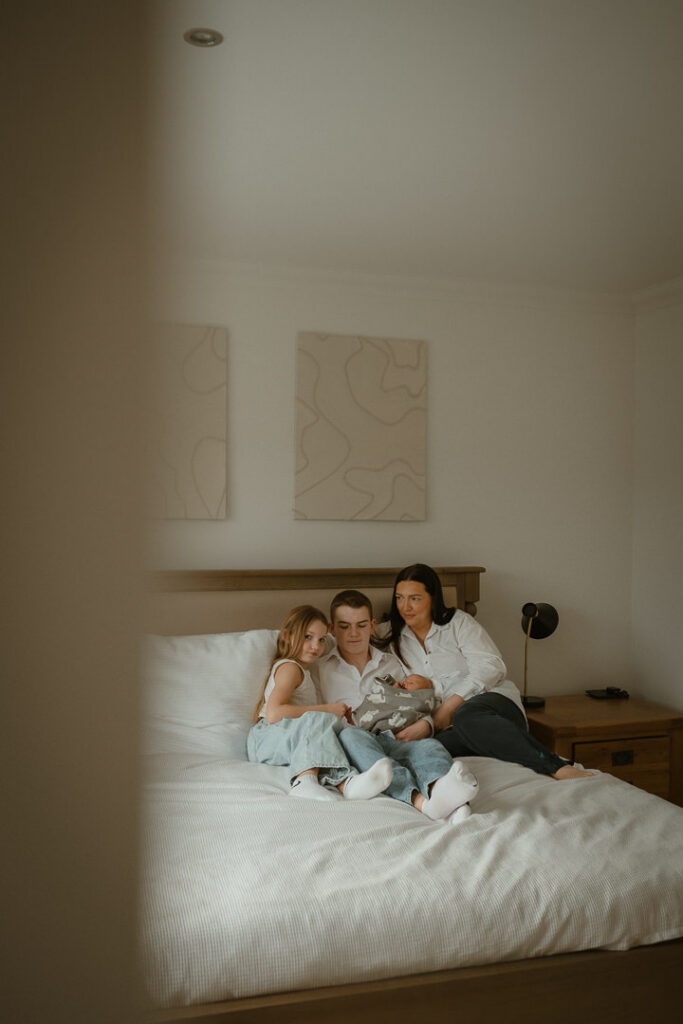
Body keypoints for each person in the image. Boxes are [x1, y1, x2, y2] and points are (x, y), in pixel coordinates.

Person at [379, 564, 593, 780]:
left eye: (414, 598)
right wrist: (431, 723)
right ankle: (496, 754)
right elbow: (353, 639)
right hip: (451, 728)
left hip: (493, 706)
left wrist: (448, 708)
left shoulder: (458, 623)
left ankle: (556, 766)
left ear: (432, 598)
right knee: (426, 748)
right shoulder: (391, 635)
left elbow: (492, 667)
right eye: (399, 598)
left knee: (465, 716)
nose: (405, 606)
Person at [314, 590, 478, 822]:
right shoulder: (320, 668)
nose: (353, 634)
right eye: (344, 626)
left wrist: (426, 724)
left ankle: (447, 798)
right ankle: (419, 802)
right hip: (358, 743)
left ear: (372, 626)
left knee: (431, 748)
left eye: (361, 625)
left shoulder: (391, 662)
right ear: (331, 629)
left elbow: (418, 701)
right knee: (352, 737)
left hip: (398, 736)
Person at [247, 604, 392, 801]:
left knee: (329, 734)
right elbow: (273, 713)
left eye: (322, 639)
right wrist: (327, 710)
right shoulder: (290, 668)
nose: (316, 646)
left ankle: (346, 783)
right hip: (266, 738)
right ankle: (304, 781)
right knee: (319, 720)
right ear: (287, 636)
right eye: (308, 637)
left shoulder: (304, 671)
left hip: (282, 739)